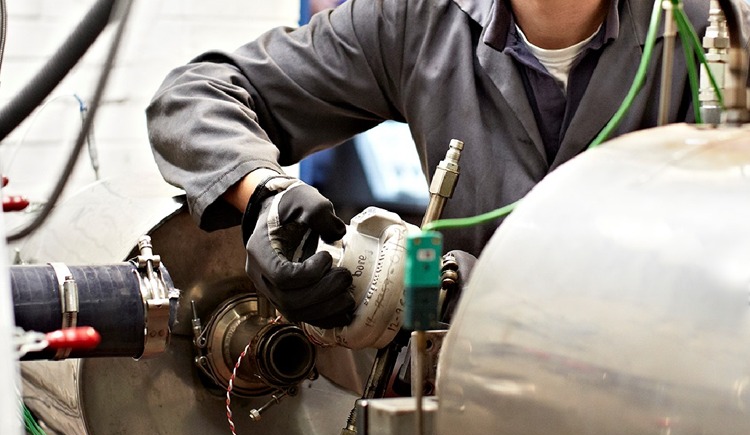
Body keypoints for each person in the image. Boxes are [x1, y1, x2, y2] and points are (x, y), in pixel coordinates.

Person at [146, 0, 750, 329]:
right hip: (461, 403)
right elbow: (195, 98)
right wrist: (264, 199)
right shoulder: (415, 19)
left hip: (659, 405)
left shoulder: (715, 31)